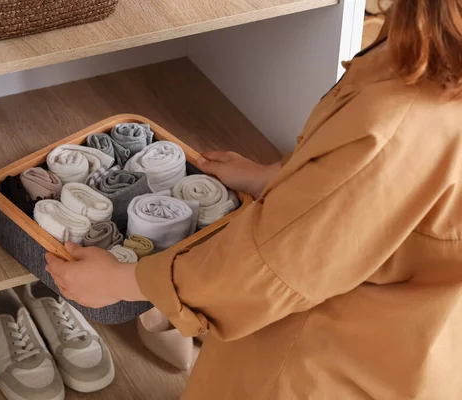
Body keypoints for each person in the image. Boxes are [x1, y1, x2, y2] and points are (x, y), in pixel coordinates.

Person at [45, 0, 462, 398]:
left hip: (318, 368)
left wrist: (123, 281)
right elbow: (396, 196)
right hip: (416, 351)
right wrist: (283, 177)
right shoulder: (438, 66)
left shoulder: (395, 116)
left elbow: (267, 266)